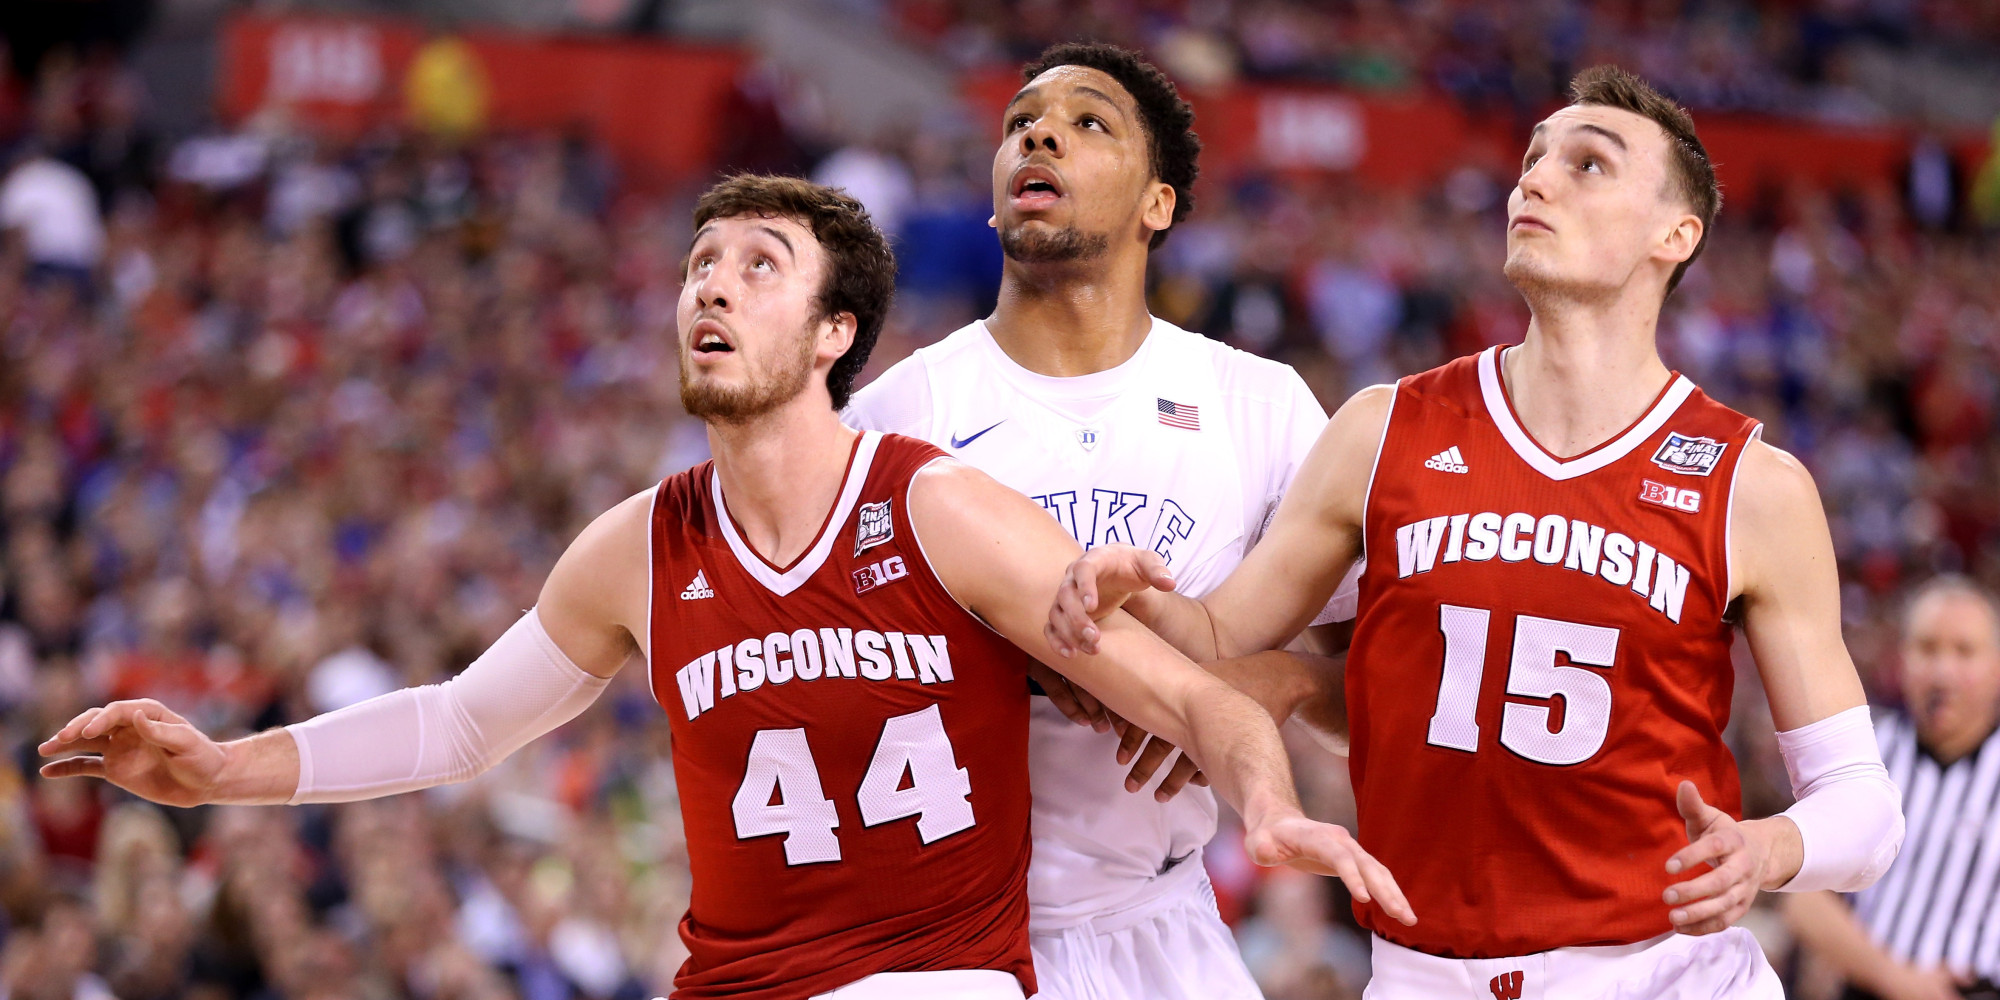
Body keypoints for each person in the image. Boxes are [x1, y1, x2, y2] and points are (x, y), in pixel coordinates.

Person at [37, 174, 1407, 1000]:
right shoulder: (641, 543)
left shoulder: (932, 505)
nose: (715, 285)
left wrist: (1272, 808)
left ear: (832, 336)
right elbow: (460, 723)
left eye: (760, 267)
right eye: (702, 263)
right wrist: (222, 770)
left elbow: (1188, 697)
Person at [1045, 66, 1907, 998]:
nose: (1533, 180)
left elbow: (1865, 807)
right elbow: (1210, 640)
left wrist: (1773, 846)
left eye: (1588, 164)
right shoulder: (1382, 431)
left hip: (1663, 974)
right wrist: (1098, 586)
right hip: (1425, 974)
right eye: (1532, 159)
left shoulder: (1752, 486)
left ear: (1676, 233)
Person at [846, 42, 1349, 1000]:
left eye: (1089, 123)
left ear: (1158, 205)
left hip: (1161, 929)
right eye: (1020, 123)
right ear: (995, 197)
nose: (1040, 132)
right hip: (933, 937)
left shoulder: (1262, 405)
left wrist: (1240, 688)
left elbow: (1382, 695)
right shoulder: (889, 418)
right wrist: (1038, 655)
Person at [1783, 576, 2000, 1000]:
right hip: (1866, 988)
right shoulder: (1865, 754)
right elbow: (1803, 901)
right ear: (1902, 660)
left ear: (1996, 666)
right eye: (1927, 648)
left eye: (1964, 651)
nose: (1943, 671)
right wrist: (1899, 982)